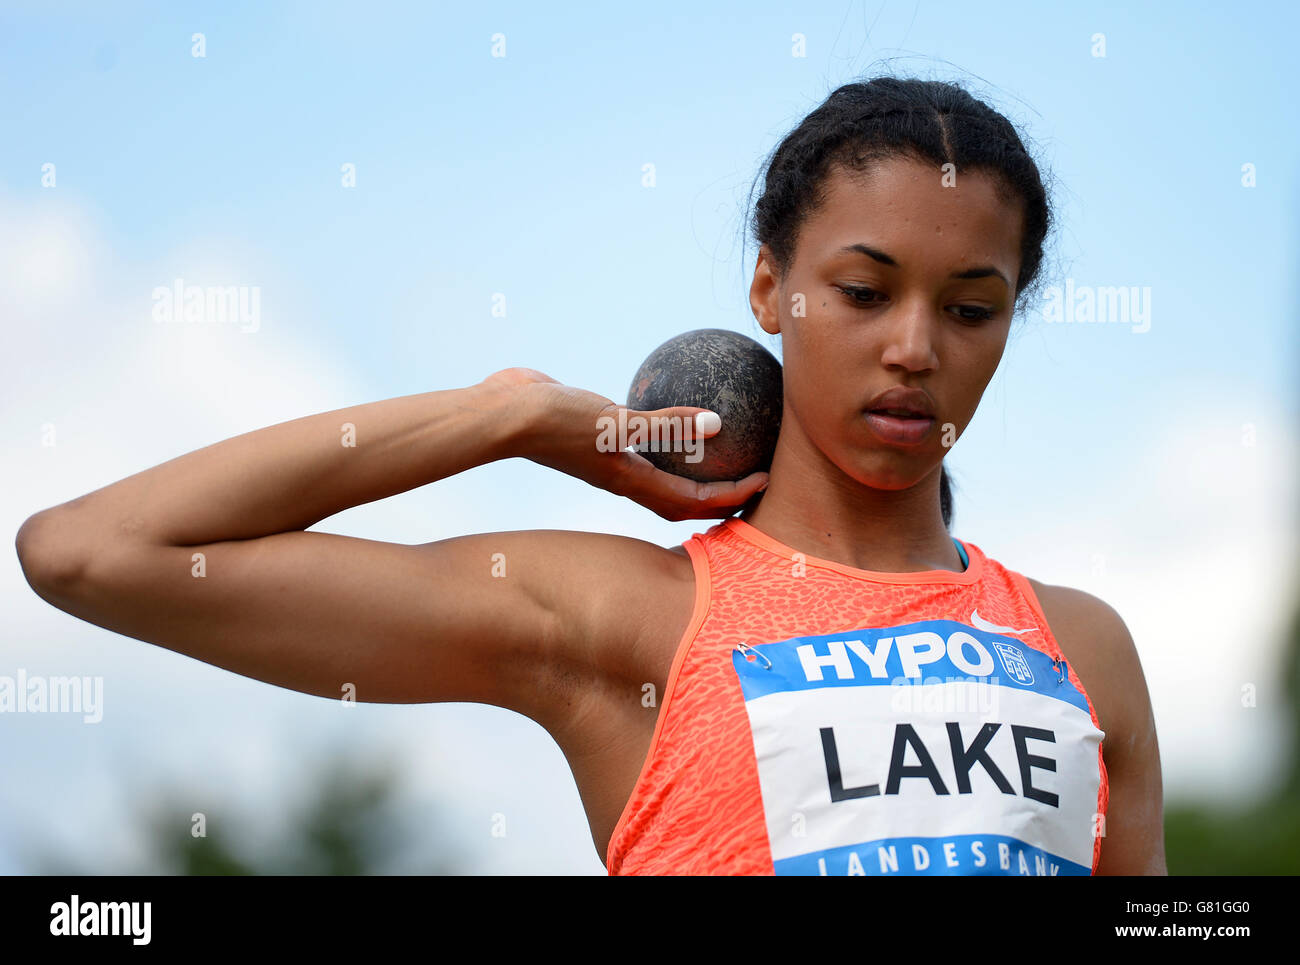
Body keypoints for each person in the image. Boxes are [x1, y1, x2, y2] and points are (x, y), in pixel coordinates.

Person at [15, 75, 1165, 876]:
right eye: (863, 293)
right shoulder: (626, 619)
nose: (915, 347)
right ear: (771, 290)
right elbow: (90, 552)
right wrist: (513, 413)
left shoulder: (1083, 649)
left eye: (970, 308)